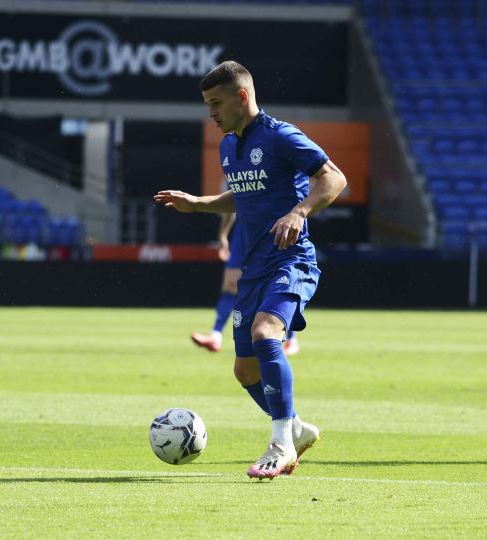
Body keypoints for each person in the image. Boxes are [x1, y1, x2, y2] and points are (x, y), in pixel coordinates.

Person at [155, 60, 346, 479]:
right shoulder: (229, 145)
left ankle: (280, 444)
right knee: (244, 370)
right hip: (253, 269)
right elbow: (243, 195)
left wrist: (300, 211)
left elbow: (333, 178)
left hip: (291, 260)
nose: (212, 114)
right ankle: (294, 427)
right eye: (207, 106)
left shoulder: (280, 136)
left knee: (265, 334)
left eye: (216, 103)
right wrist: (200, 203)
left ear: (242, 96)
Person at [191, 213, 300, 356]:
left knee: (277, 285)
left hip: (272, 226)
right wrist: (223, 234)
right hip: (244, 229)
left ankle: (291, 339)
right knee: (230, 285)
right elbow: (232, 201)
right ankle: (215, 335)